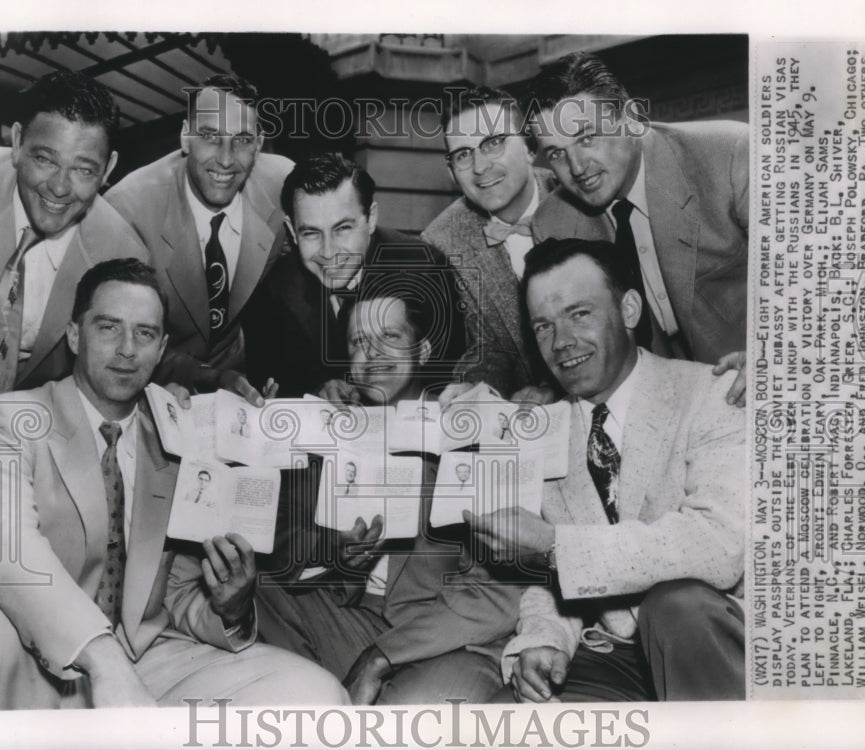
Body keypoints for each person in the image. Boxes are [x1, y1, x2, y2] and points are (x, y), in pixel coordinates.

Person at [0, 258, 349, 710]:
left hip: (142, 657)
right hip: (31, 656)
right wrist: (101, 657)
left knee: (316, 694)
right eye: (108, 327)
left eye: (145, 334)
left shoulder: (174, 438)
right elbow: (4, 548)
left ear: (162, 346)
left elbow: (175, 594)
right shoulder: (9, 418)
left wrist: (228, 607)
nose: (128, 349)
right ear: (74, 335)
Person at [466, 239, 745, 702]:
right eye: (543, 326)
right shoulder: (545, 431)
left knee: (674, 604)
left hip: (710, 650)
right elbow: (551, 578)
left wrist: (554, 545)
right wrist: (543, 640)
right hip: (615, 654)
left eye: (580, 314)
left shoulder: (713, 394)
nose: (561, 343)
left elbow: (717, 546)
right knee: (509, 719)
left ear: (630, 309)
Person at [255, 285, 521, 705]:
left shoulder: (469, 424)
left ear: (425, 350)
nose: (373, 354)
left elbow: (497, 598)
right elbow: (281, 545)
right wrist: (336, 553)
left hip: (448, 642)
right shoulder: (338, 424)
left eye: (391, 337)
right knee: (259, 591)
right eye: (360, 342)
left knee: (404, 722)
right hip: (356, 620)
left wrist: (379, 658)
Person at [524, 52, 750, 405]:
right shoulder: (554, 223)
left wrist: (773, 356)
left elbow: (815, 279)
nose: (577, 167)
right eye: (556, 154)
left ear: (629, 118)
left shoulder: (732, 154)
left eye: (586, 138)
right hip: (658, 406)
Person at [106, 74, 292, 403]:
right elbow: (117, 337)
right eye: (209, 136)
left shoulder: (283, 188)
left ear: (260, 145)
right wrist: (204, 376)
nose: (225, 158)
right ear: (184, 137)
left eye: (243, 140)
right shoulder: (127, 210)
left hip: (240, 384)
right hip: (152, 380)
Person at [0, 70, 148, 403]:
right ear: (17, 142)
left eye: (84, 170)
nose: (60, 188)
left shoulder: (124, 253)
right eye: (44, 159)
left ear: (108, 170)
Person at [242, 152, 466, 400]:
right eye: (311, 233)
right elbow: (267, 378)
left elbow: (450, 380)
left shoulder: (424, 271)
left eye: (342, 229)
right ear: (292, 233)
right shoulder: (274, 289)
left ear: (371, 219)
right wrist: (317, 388)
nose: (328, 253)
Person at [422, 85, 560, 399]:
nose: (480, 167)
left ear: (529, 146)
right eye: (463, 154)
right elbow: (481, 346)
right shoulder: (442, 240)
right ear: (451, 173)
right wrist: (474, 388)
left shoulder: (580, 198)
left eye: (494, 143)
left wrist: (559, 391)